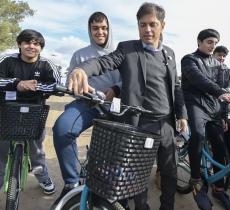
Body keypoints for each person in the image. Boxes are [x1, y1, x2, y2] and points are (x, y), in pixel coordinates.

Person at [66, 3, 188, 210]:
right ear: (138, 26)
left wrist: (182, 114)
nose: (147, 30)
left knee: (170, 171)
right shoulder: (127, 49)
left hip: (166, 123)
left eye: (153, 24)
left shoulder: (169, 53)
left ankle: (167, 206)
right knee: (137, 175)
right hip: (140, 124)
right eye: (142, 25)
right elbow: (103, 62)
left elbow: (176, 86)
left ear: (162, 26)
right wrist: (81, 69)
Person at [51, 11, 123, 206]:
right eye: (95, 28)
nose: (100, 32)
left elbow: (130, 81)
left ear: (109, 29)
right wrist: (79, 89)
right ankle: (71, 183)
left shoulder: (121, 51)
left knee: (117, 146)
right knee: (62, 129)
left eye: (104, 28)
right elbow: (70, 82)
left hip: (115, 108)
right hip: (87, 103)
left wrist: (116, 89)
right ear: (89, 30)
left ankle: (108, 187)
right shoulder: (79, 54)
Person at [181, 29, 230, 210]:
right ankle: (196, 180)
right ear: (199, 42)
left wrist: (222, 115)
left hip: (213, 108)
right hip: (195, 105)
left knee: (220, 143)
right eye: (208, 42)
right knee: (197, 135)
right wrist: (222, 93)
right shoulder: (189, 59)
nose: (212, 45)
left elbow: (221, 90)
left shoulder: (219, 64)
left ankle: (218, 186)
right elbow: (198, 80)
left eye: (215, 42)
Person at [0, 29, 61, 194]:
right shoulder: (6, 60)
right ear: (19, 44)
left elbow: (56, 84)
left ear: (41, 47)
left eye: (36, 44)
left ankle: (43, 177)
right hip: (7, 109)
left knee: (36, 148)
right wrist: (17, 83)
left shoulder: (47, 64)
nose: (31, 46)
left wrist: (35, 86)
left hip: (35, 110)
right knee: (2, 147)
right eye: (27, 42)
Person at [213, 45, 230, 187]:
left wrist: (220, 92)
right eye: (219, 55)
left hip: (225, 112)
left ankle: (229, 173)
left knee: (229, 140)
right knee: (216, 145)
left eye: (224, 56)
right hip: (208, 112)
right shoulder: (207, 69)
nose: (221, 58)